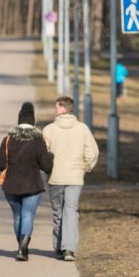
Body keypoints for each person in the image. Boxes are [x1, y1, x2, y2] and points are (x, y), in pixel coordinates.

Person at [0, 102, 53, 261]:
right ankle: (23, 247)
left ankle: (21, 247)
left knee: (17, 217)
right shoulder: (38, 140)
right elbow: (47, 166)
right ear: (33, 122)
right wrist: (50, 157)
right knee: (28, 216)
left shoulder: (8, 140)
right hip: (32, 185)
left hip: (11, 186)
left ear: (18, 121)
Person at [42, 96, 99, 261]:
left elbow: (43, 155)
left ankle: (59, 247)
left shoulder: (48, 130)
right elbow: (92, 152)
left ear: (62, 109)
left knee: (58, 212)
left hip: (55, 177)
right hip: (75, 177)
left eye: (56, 107)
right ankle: (69, 249)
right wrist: (85, 167)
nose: (55, 110)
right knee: (71, 211)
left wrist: (46, 170)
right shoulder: (83, 129)